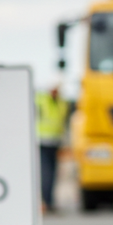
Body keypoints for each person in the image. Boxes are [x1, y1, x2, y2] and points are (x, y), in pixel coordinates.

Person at [35, 84, 69, 213]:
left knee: (53, 174)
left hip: (55, 142)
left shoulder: (62, 103)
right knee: (46, 173)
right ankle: (46, 202)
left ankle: (49, 202)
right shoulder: (41, 100)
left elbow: (62, 123)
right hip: (42, 141)